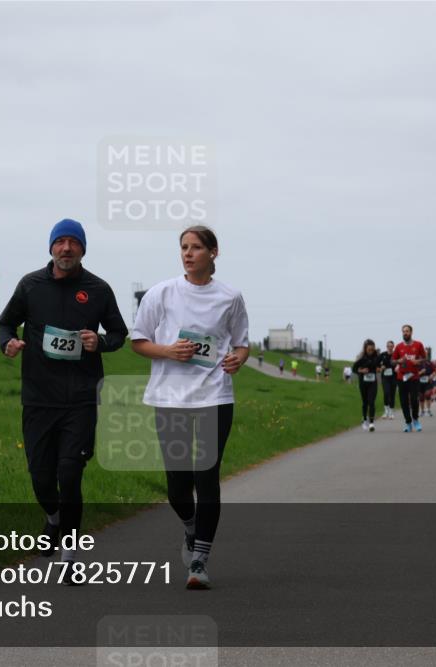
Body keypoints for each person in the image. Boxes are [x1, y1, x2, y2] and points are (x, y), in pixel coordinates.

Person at [0, 218, 128, 578]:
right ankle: (52, 518)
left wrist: (98, 342)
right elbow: (5, 323)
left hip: (81, 398)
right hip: (39, 397)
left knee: (69, 473)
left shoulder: (98, 290)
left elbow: (119, 332)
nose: (66, 248)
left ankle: (70, 558)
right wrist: (8, 342)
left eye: (73, 242)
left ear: (83, 249)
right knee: (41, 477)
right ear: (51, 248)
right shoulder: (30, 285)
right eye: (60, 242)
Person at [131, 225, 249, 591]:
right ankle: (190, 528)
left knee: (206, 475)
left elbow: (242, 344)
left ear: (213, 252)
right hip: (170, 398)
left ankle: (200, 559)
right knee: (178, 485)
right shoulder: (161, 293)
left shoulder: (230, 297)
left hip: (214, 396)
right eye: (184, 247)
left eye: (196, 247)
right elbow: (137, 341)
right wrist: (168, 350)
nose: (188, 253)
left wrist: (237, 360)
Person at [391, 324, 427, 432]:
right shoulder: (398, 347)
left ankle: (415, 420)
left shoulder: (418, 344)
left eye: (407, 331)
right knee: (403, 401)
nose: (405, 333)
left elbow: (425, 358)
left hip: (414, 377)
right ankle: (408, 423)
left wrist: (418, 361)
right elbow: (392, 361)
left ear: (411, 332)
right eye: (403, 331)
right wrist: (398, 361)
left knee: (414, 400)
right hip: (401, 377)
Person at [352, 339, 380, 432]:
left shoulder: (376, 356)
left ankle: (371, 423)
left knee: (371, 402)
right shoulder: (361, 358)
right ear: (365, 349)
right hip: (363, 383)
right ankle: (364, 420)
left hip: (373, 383)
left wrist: (380, 368)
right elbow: (354, 369)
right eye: (369, 349)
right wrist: (361, 371)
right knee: (365, 402)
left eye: (372, 349)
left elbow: (379, 366)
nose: (371, 351)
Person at [377, 340, 397, 420]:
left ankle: (391, 412)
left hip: (394, 377)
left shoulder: (396, 355)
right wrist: (380, 368)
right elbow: (376, 365)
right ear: (386, 346)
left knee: (392, 394)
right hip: (385, 377)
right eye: (388, 346)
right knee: (386, 392)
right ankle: (386, 412)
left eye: (391, 346)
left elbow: (400, 363)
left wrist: (397, 367)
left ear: (393, 347)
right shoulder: (382, 355)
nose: (390, 347)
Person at [418, 353, 436, 418]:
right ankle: (422, 411)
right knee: (421, 397)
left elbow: (435, 371)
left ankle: (428, 410)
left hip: (428, 381)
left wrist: (432, 375)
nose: (424, 357)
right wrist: (420, 372)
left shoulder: (430, 363)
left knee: (427, 394)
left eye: (425, 355)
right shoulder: (417, 363)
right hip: (419, 382)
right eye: (422, 355)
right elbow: (413, 373)